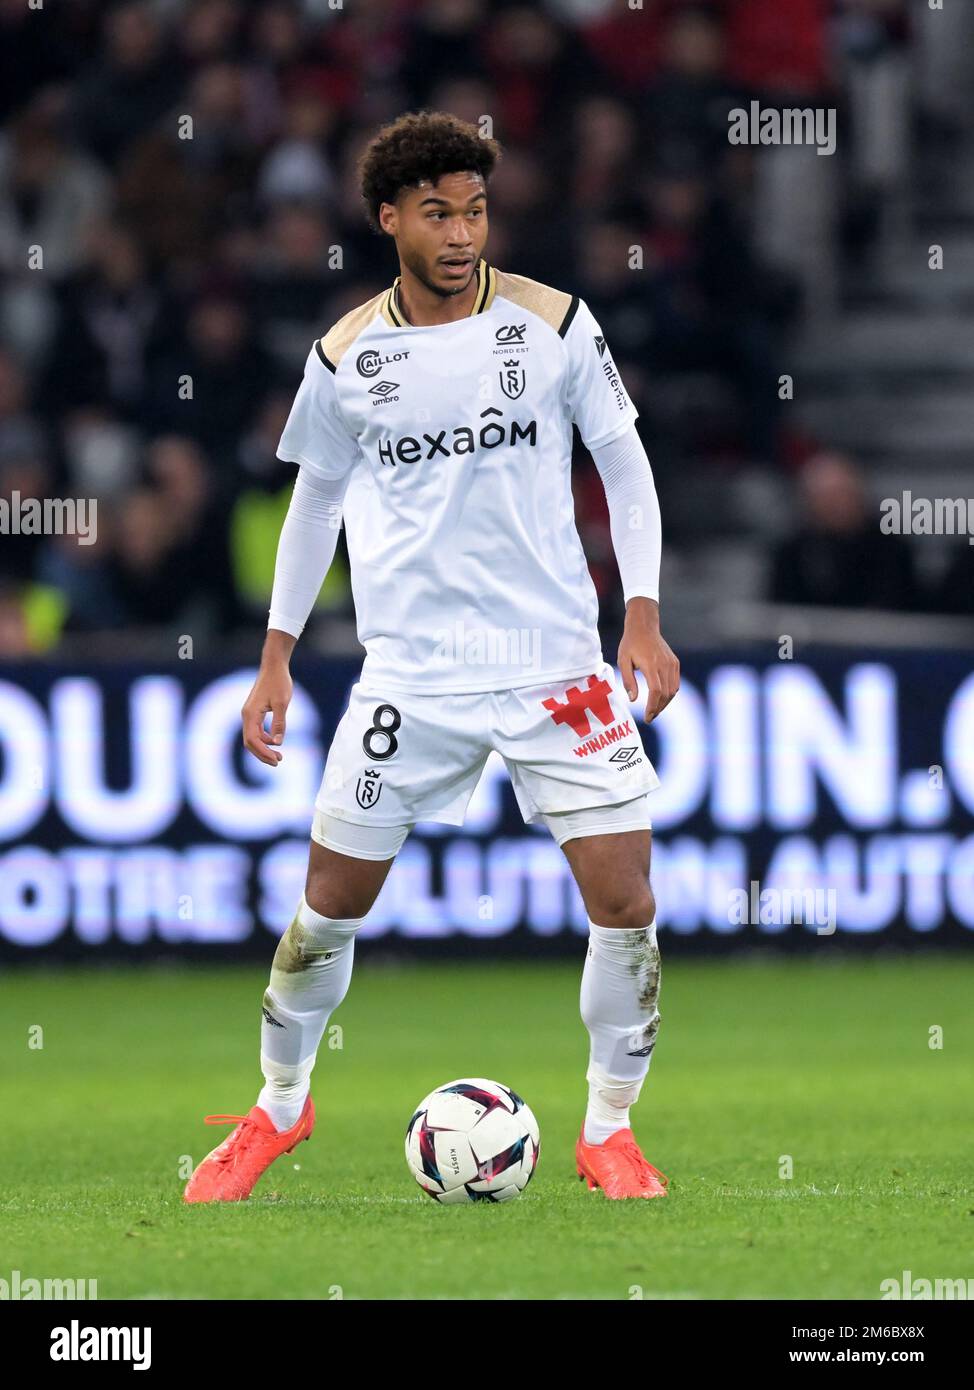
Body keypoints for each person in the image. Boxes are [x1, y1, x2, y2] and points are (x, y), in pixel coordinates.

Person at [184, 111, 679, 1205]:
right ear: (389, 219)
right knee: (325, 903)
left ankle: (609, 1127)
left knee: (625, 899)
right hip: (409, 673)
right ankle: (278, 1105)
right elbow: (312, 498)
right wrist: (275, 655)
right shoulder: (348, 354)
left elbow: (623, 463)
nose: (463, 233)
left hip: (555, 663)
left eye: (477, 210)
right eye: (439, 213)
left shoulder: (551, 324)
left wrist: (638, 615)